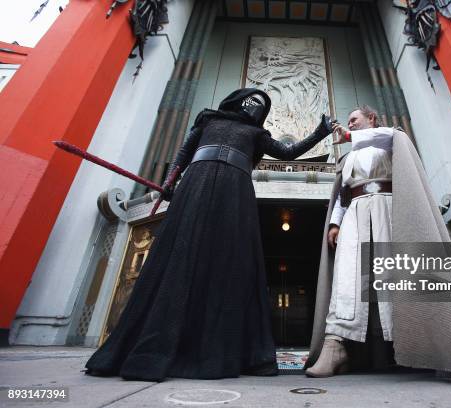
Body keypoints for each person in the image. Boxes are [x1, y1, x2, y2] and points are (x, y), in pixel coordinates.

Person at [85, 88, 334, 381]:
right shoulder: (207, 120)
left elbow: (288, 152)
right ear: (236, 100)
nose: (255, 108)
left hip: (235, 189)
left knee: (228, 260)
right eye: (252, 101)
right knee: (180, 254)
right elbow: (184, 153)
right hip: (197, 182)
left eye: (261, 106)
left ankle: (223, 349)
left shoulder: (257, 135)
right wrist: (169, 182)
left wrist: (320, 132)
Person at [305, 106, 451, 378]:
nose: (350, 124)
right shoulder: (348, 158)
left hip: (389, 209)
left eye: (355, 120)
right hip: (355, 213)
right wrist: (336, 222)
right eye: (348, 122)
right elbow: (343, 195)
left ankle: (418, 346)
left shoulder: (391, 139)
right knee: (347, 277)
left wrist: (350, 135)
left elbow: (387, 137)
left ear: (371, 118)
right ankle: (335, 345)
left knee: (396, 274)